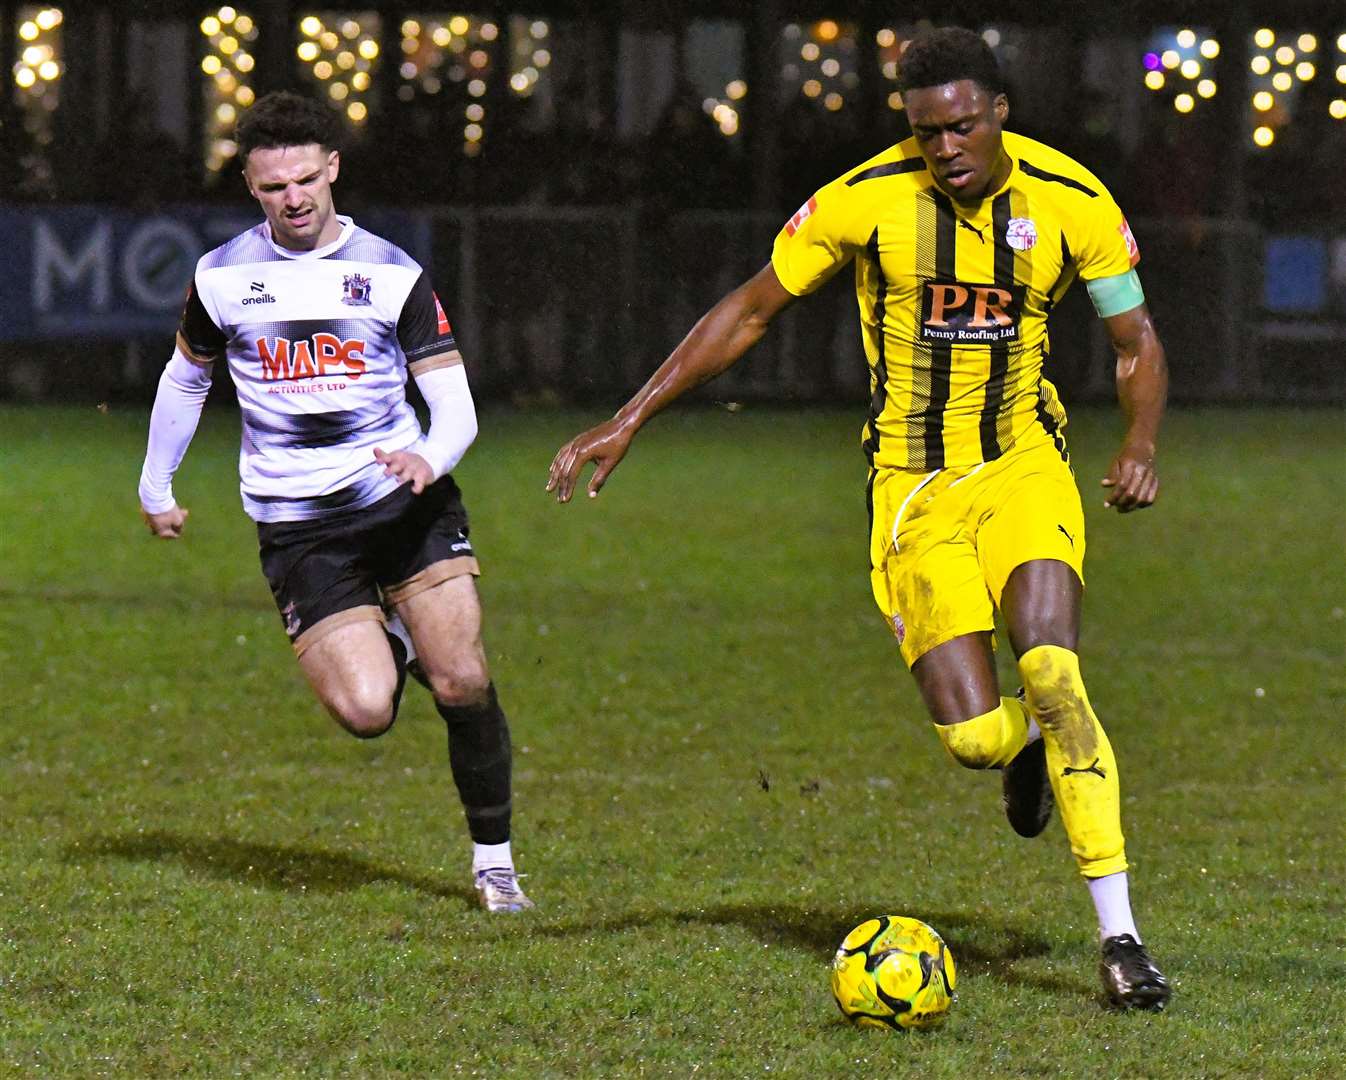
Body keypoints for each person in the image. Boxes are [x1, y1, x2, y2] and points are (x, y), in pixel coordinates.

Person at [548, 27, 1169, 1008]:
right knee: (969, 737)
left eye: (961, 125)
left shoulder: (1074, 202)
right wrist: (630, 416)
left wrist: (1134, 446)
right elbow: (750, 310)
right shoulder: (864, 199)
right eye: (925, 132)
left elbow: (1132, 339)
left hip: (1020, 468)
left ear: (998, 111)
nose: (944, 148)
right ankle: (1018, 751)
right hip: (911, 491)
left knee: (1053, 669)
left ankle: (1120, 937)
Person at [138, 91, 532, 914]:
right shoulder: (221, 277)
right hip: (300, 530)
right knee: (365, 711)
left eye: (307, 179)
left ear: (334, 169)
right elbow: (186, 377)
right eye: (274, 185)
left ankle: (494, 865)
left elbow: (454, 405)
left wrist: (428, 455)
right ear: (250, 184)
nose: (294, 198)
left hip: (403, 503)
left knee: (461, 680)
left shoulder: (391, 274)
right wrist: (156, 482)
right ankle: (392, 633)